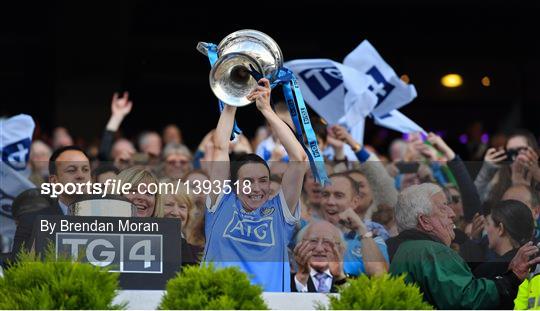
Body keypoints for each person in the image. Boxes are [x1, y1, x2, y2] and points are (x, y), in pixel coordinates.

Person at [203, 78, 308, 292]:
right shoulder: (220, 203)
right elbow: (221, 147)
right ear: (234, 186)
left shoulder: (279, 212)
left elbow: (299, 158)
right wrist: (231, 100)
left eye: (263, 180)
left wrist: (267, 110)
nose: (257, 188)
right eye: (248, 182)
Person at [389, 183, 540, 309]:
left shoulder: (406, 250)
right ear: (425, 222)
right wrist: (512, 278)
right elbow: (468, 300)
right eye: (443, 207)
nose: (452, 213)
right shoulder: (432, 251)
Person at [12, 146, 91, 254]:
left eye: (85, 170)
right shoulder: (31, 222)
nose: (81, 176)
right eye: (72, 170)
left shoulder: (107, 218)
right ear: (54, 181)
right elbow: (18, 265)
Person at [320, 173, 389, 277]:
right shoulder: (306, 232)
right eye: (325, 195)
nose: (330, 201)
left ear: (355, 202)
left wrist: (361, 229)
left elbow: (379, 275)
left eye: (338, 196)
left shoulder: (372, 240)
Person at [292, 221, 347, 293]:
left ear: (341, 249)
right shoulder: (283, 282)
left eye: (327, 242)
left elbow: (353, 302)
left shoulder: (355, 282)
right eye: (313, 241)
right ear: (299, 246)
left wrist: (339, 277)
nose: (319, 249)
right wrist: (302, 277)